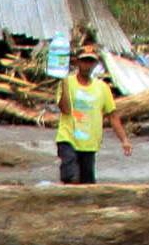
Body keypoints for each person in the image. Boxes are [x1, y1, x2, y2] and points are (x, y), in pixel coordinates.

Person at [55, 47, 134, 182]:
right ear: (77, 62)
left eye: (90, 62)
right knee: (71, 177)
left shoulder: (102, 88)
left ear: (95, 64)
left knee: (87, 184)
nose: (87, 65)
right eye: (84, 61)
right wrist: (64, 85)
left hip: (89, 143)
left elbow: (112, 116)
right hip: (68, 138)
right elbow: (65, 109)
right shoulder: (66, 83)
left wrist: (124, 140)